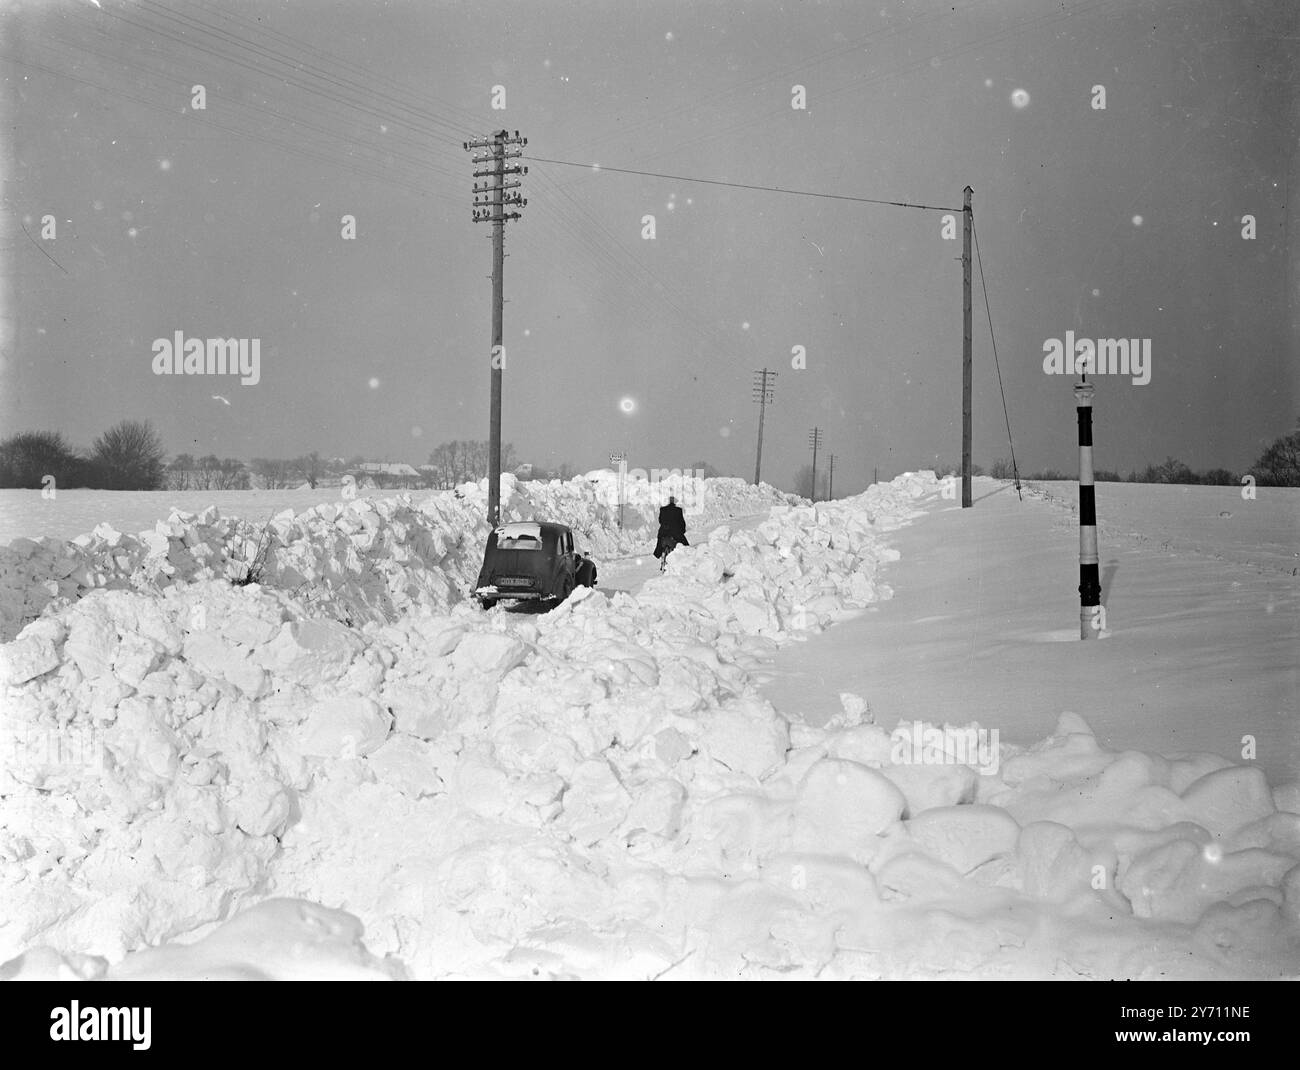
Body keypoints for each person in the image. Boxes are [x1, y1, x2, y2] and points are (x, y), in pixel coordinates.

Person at [654, 495, 688, 561]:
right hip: (675, 533)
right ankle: (685, 559)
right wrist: (682, 531)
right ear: (675, 502)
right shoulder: (678, 510)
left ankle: (658, 554)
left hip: (663, 532)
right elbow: (682, 522)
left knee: (660, 544)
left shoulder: (662, 509)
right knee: (685, 547)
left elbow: (660, 521)